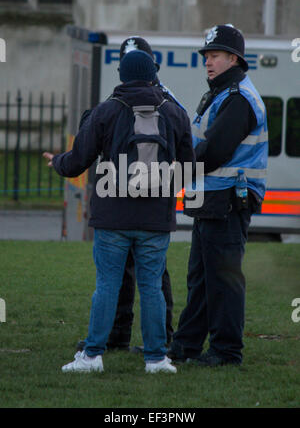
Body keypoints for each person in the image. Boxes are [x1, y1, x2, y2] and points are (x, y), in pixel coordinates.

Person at [44, 48, 195, 373]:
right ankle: (156, 358)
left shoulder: (107, 111)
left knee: (108, 284)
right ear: (153, 74)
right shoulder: (175, 113)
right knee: (152, 286)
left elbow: (77, 161)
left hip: (112, 217)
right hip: (156, 218)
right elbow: (189, 169)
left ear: (123, 76)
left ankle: (93, 355)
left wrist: (56, 161)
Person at [168, 24, 268, 367]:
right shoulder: (224, 93)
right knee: (201, 279)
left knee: (222, 280)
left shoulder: (238, 98)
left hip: (227, 199)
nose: (208, 62)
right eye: (206, 56)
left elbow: (215, 151)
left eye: (215, 56)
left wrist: (177, 169)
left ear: (234, 58)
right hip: (212, 198)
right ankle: (185, 347)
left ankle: (226, 352)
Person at [76, 36, 184, 353]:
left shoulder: (121, 101)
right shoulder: (169, 103)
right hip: (153, 211)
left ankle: (134, 338)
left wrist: (61, 160)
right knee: (146, 279)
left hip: (118, 206)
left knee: (131, 279)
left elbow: (89, 146)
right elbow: (187, 157)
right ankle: (136, 340)